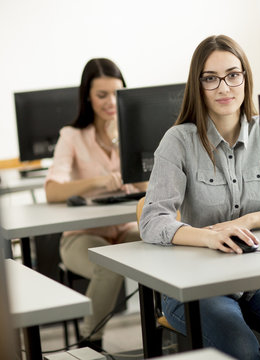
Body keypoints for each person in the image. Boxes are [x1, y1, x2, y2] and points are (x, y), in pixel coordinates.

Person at [139, 35, 260, 359]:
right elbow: (152, 219)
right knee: (242, 348)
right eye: (210, 79)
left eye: (233, 75)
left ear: (245, 77)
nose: (224, 87)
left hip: (258, 279)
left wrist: (250, 220)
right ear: (198, 85)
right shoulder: (179, 141)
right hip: (194, 285)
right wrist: (207, 237)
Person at [45, 58, 146, 350]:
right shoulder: (72, 136)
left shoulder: (134, 132)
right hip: (82, 237)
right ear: (87, 97)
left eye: (117, 93)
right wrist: (97, 182)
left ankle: (168, 326)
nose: (111, 102)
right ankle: (90, 343)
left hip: (126, 230)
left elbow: (151, 188)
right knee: (111, 263)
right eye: (102, 95)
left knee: (166, 245)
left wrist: (124, 149)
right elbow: (52, 191)